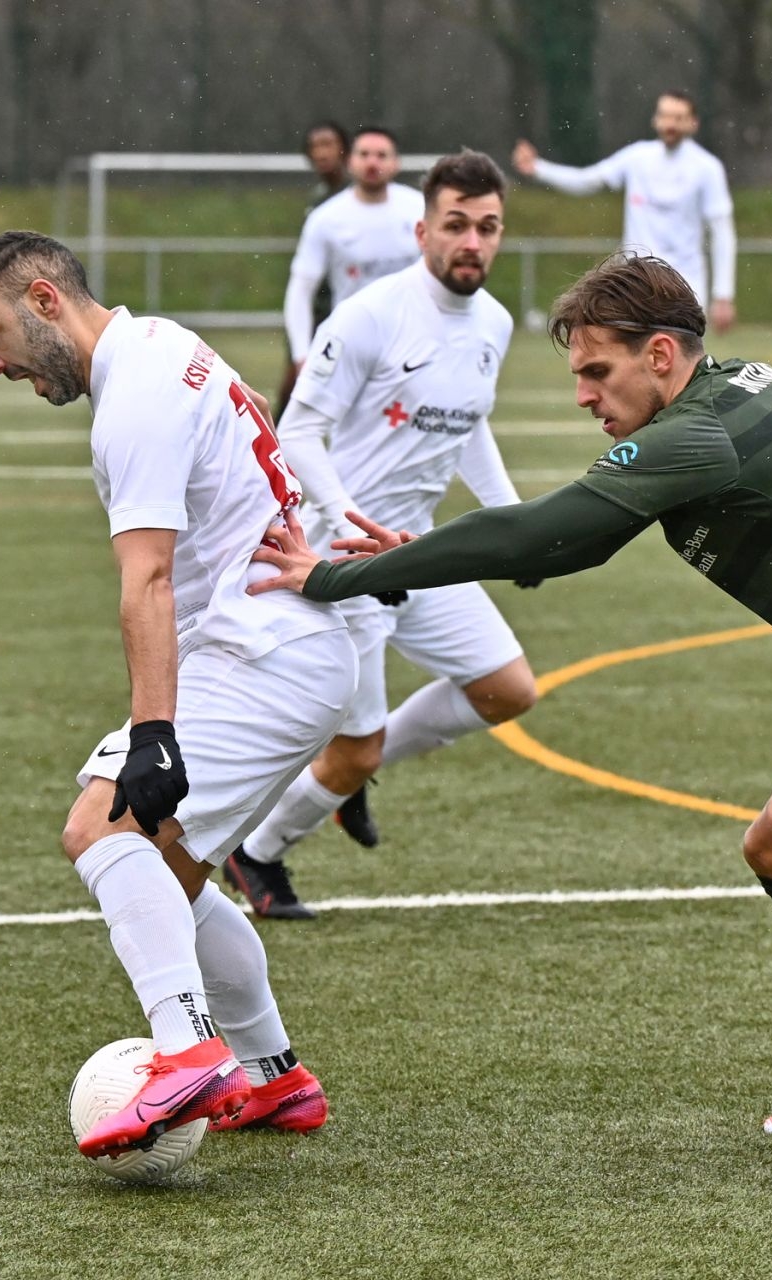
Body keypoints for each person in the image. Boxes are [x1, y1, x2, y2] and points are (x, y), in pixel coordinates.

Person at [249, 252, 772, 1155]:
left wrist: (334, 576)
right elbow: (557, 543)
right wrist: (413, 557)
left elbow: (545, 536)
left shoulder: (700, 433)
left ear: (663, 355)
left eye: (598, 371)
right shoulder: (718, 405)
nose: (583, 396)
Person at [0, 230, 357, 1149]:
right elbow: (256, 426)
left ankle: (189, 1054)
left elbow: (149, 579)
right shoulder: (166, 342)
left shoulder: (133, 393)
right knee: (171, 875)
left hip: (260, 653)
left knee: (100, 828)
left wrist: (152, 733)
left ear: (44, 301)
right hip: (288, 649)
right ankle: (275, 1077)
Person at [224, 149, 539, 920]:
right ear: (423, 230)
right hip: (347, 556)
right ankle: (257, 850)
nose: (472, 242)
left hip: (417, 550)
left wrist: (516, 522)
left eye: (488, 227)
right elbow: (299, 433)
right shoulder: (370, 315)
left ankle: (349, 777)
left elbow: (467, 425)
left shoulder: (494, 323)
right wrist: (347, 527)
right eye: (456, 225)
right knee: (351, 749)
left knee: (507, 689)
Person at [513, 91, 737, 333]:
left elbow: (722, 231)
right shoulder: (637, 158)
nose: (670, 124)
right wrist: (538, 168)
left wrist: (723, 295)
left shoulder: (707, 168)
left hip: (685, 285)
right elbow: (588, 179)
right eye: (664, 116)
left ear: (693, 123)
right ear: (655, 119)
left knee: (678, 354)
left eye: (678, 117)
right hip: (636, 283)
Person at [283, 126, 426, 379]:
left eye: (381, 155)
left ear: (396, 163)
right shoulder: (325, 218)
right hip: (350, 347)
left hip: (414, 344)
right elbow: (301, 289)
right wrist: (301, 355)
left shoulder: (420, 209)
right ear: (350, 161)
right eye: (364, 154)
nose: (372, 162)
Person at [275, 120, 352, 415]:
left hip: (343, 307)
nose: (321, 153)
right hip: (315, 307)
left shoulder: (356, 195)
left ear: (344, 149)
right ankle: (277, 441)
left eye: (327, 144)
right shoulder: (319, 197)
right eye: (314, 147)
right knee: (294, 385)